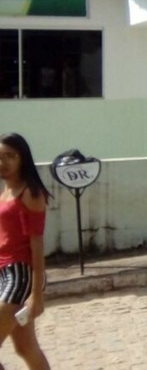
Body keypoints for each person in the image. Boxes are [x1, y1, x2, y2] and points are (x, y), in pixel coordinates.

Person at [0, 133, 50, 369]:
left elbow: (37, 245)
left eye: (10, 156)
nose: (3, 162)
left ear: (23, 158)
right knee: (25, 348)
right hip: (3, 273)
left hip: (20, 275)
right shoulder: (5, 193)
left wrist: (37, 294)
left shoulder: (30, 193)